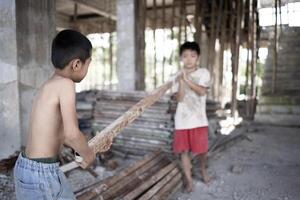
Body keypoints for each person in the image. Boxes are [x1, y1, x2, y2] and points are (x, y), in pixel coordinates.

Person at [13, 29, 111, 200]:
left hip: (33, 167)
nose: (87, 69)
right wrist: (88, 155)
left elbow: (63, 136)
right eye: (89, 63)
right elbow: (72, 134)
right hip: (40, 174)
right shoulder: (66, 85)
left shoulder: (49, 85)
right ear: (76, 64)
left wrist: (88, 147)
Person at [170, 41, 211, 192]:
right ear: (181, 58)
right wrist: (181, 81)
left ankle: (202, 170)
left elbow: (202, 92)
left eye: (192, 56)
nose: (189, 59)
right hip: (182, 120)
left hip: (199, 119)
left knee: (202, 151)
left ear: (198, 57)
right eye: (185, 56)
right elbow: (179, 99)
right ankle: (189, 180)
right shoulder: (175, 76)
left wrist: (187, 80)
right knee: (184, 151)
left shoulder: (203, 73)